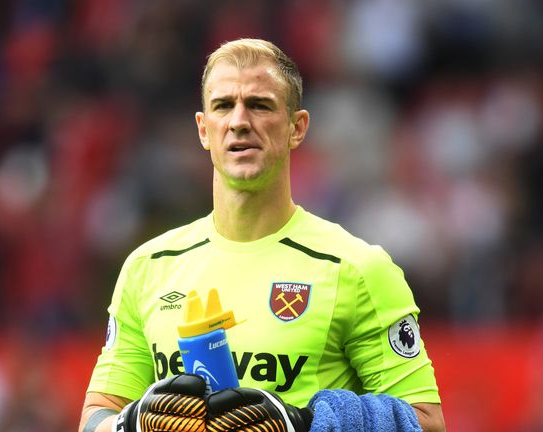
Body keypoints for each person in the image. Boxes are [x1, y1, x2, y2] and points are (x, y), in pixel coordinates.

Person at [79, 38, 445, 432]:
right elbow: (96, 415)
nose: (238, 121)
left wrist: (305, 424)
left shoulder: (357, 269)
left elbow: (428, 423)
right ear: (204, 130)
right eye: (223, 106)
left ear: (297, 127)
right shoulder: (147, 268)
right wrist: (129, 424)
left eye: (259, 105)